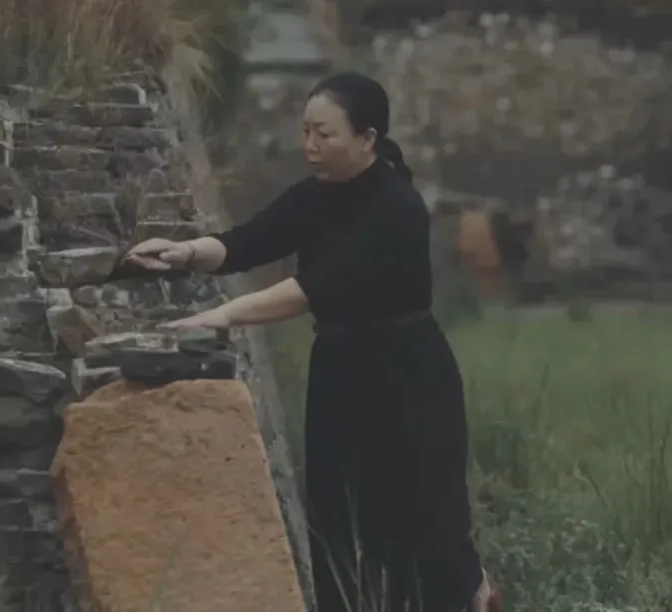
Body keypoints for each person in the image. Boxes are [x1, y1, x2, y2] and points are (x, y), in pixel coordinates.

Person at [124, 71, 498, 612]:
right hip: (340, 371)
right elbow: (247, 242)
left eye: (325, 134)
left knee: (426, 520)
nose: (310, 146)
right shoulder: (313, 196)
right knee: (338, 518)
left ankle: (473, 596)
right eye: (305, 132)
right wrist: (183, 252)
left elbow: (314, 288)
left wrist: (223, 316)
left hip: (408, 373)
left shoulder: (397, 207)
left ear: (367, 139)